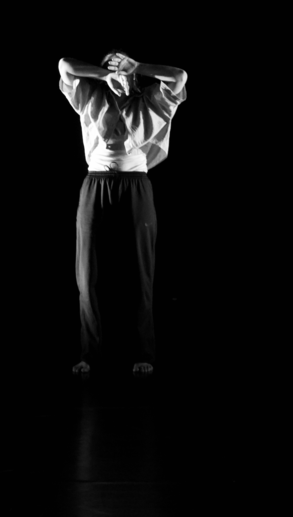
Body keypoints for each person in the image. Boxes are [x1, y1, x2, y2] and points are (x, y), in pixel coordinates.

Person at [58, 51, 188, 376]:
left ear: (134, 77)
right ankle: (89, 354)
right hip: (96, 183)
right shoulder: (91, 98)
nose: (120, 74)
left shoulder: (149, 102)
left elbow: (180, 77)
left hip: (136, 185)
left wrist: (138, 66)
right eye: (112, 69)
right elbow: (64, 66)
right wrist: (105, 76)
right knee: (87, 273)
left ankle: (143, 353)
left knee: (140, 272)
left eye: (125, 70)